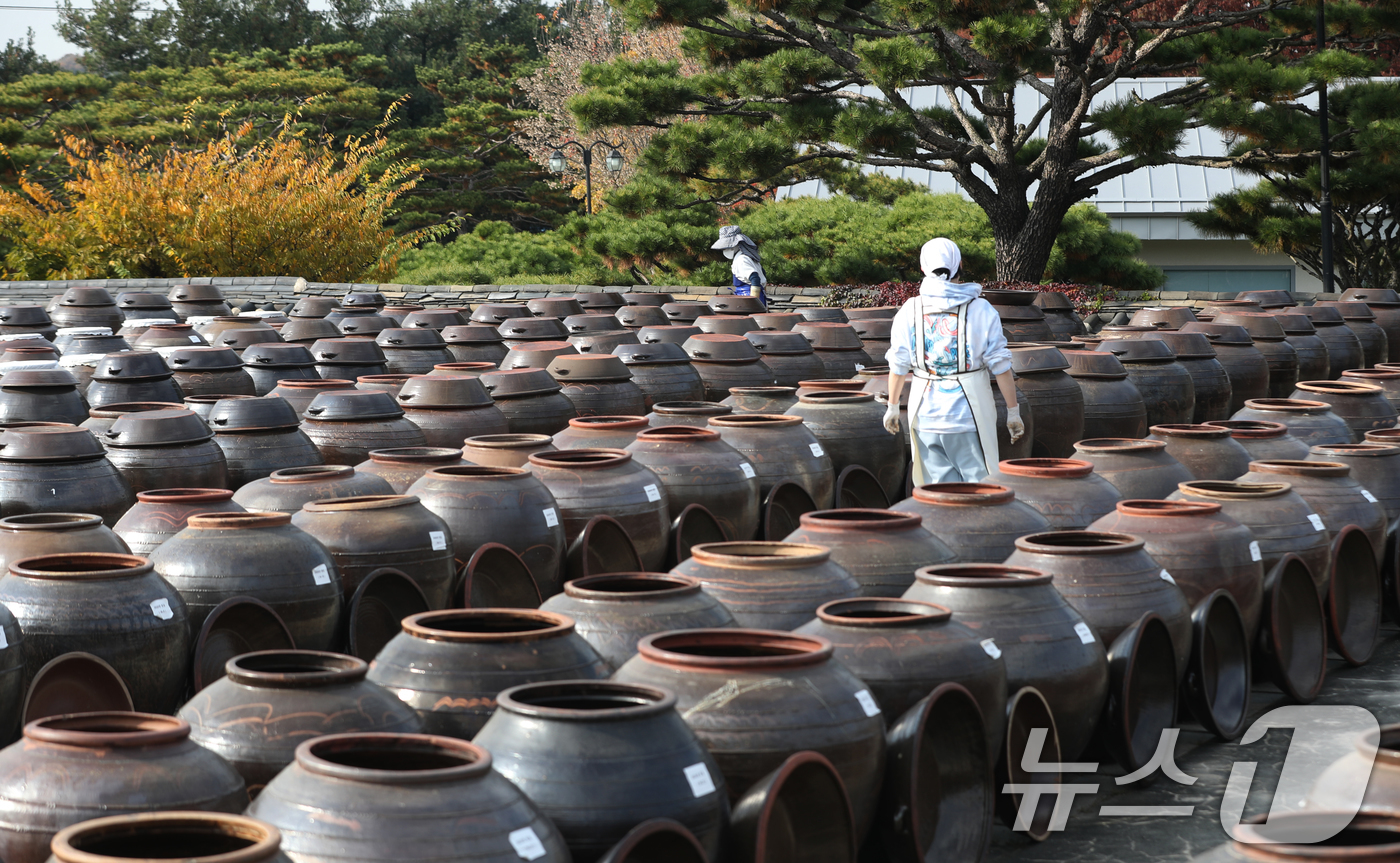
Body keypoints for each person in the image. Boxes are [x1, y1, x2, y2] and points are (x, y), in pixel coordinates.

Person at [883, 238, 1024, 484]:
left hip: (925, 417)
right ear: (959, 266)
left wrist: (893, 407)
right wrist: (1013, 412)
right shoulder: (982, 309)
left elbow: (898, 364)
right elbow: (1001, 366)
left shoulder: (909, 310)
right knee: (979, 492)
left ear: (923, 269)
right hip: (969, 418)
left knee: (937, 497)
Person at [711, 226, 767, 307]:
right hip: (752, 296)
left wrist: (753, 304)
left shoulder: (742, 259)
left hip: (748, 297)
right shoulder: (748, 257)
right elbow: (763, 273)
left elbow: (755, 278)